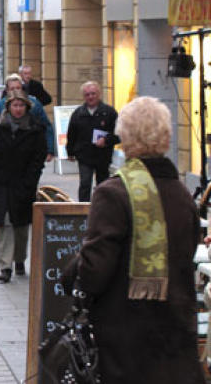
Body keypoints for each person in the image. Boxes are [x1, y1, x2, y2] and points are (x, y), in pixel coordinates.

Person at [63, 97, 204, 383]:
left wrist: (72, 272)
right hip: (175, 336)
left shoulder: (113, 193)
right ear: (166, 138)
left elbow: (94, 271)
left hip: (125, 340)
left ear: (124, 137)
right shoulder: (182, 195)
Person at [0, 90, 46, 283]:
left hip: (22, 184)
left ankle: (19, 258)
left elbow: (38, 158)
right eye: (15, 105)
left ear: (27, 107)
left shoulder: (34, 128)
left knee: (21, 225)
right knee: (4, 223)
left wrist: (30, 180)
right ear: (8, 107)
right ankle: (6, 266)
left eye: (21, 105)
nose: (18, 109)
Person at [66, 80, 119, 202]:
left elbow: (118, 134)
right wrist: (70, 151)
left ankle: (103, 207)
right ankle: (83, 209)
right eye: (87, 94)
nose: (90, 97)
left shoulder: (109, 112)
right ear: (83, 96)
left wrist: (106, 140)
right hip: (84, 155)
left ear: (99, 94)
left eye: (93, 94)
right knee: (85, 183)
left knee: (103, 185)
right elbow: (71, 134)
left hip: (103, 155)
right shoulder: (78, 114)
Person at [0, 74, 55, 161]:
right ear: (7, 90)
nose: (15, 91)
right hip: (5, 154)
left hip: (30, 153)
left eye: (18, 88)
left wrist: (50, 150)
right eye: (12, 89)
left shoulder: (34, 104)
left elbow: (46, 126)